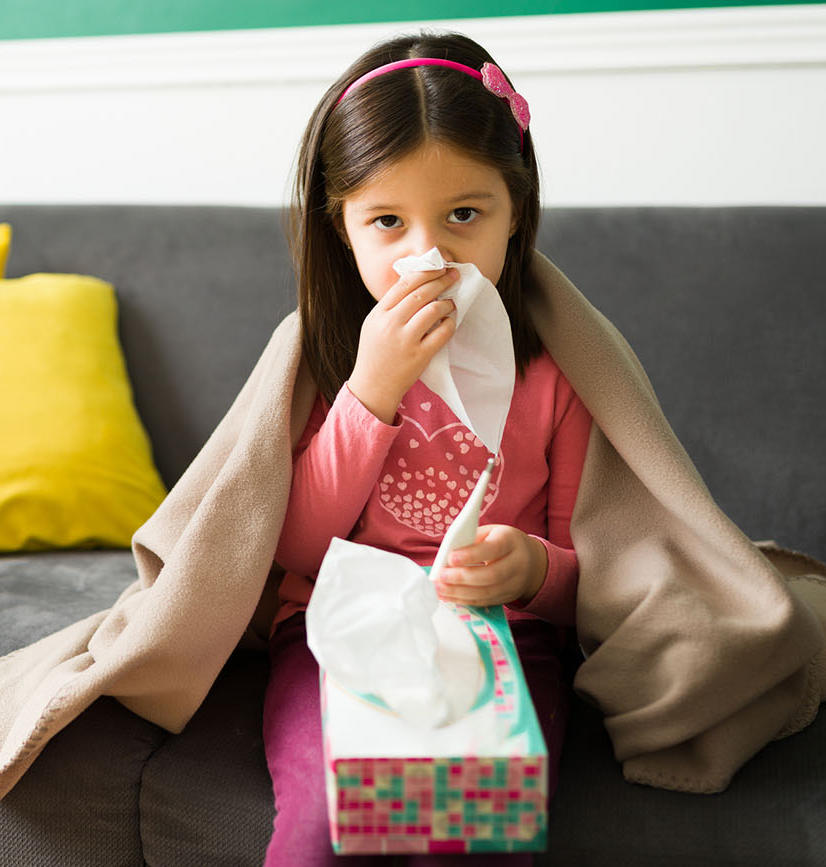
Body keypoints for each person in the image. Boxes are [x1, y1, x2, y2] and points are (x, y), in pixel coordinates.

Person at [263, 31, 592, 866]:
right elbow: (293, 545)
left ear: (516, 216)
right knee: (320, 829)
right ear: (342, 230)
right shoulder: (329, 361)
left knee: (472, 828)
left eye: (464, 215)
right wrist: (370, 391)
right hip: (337, 633)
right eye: (387, 220)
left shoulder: (555, 375)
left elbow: (600, 568)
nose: (429, 254)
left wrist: (530, 568)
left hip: (507, 640)